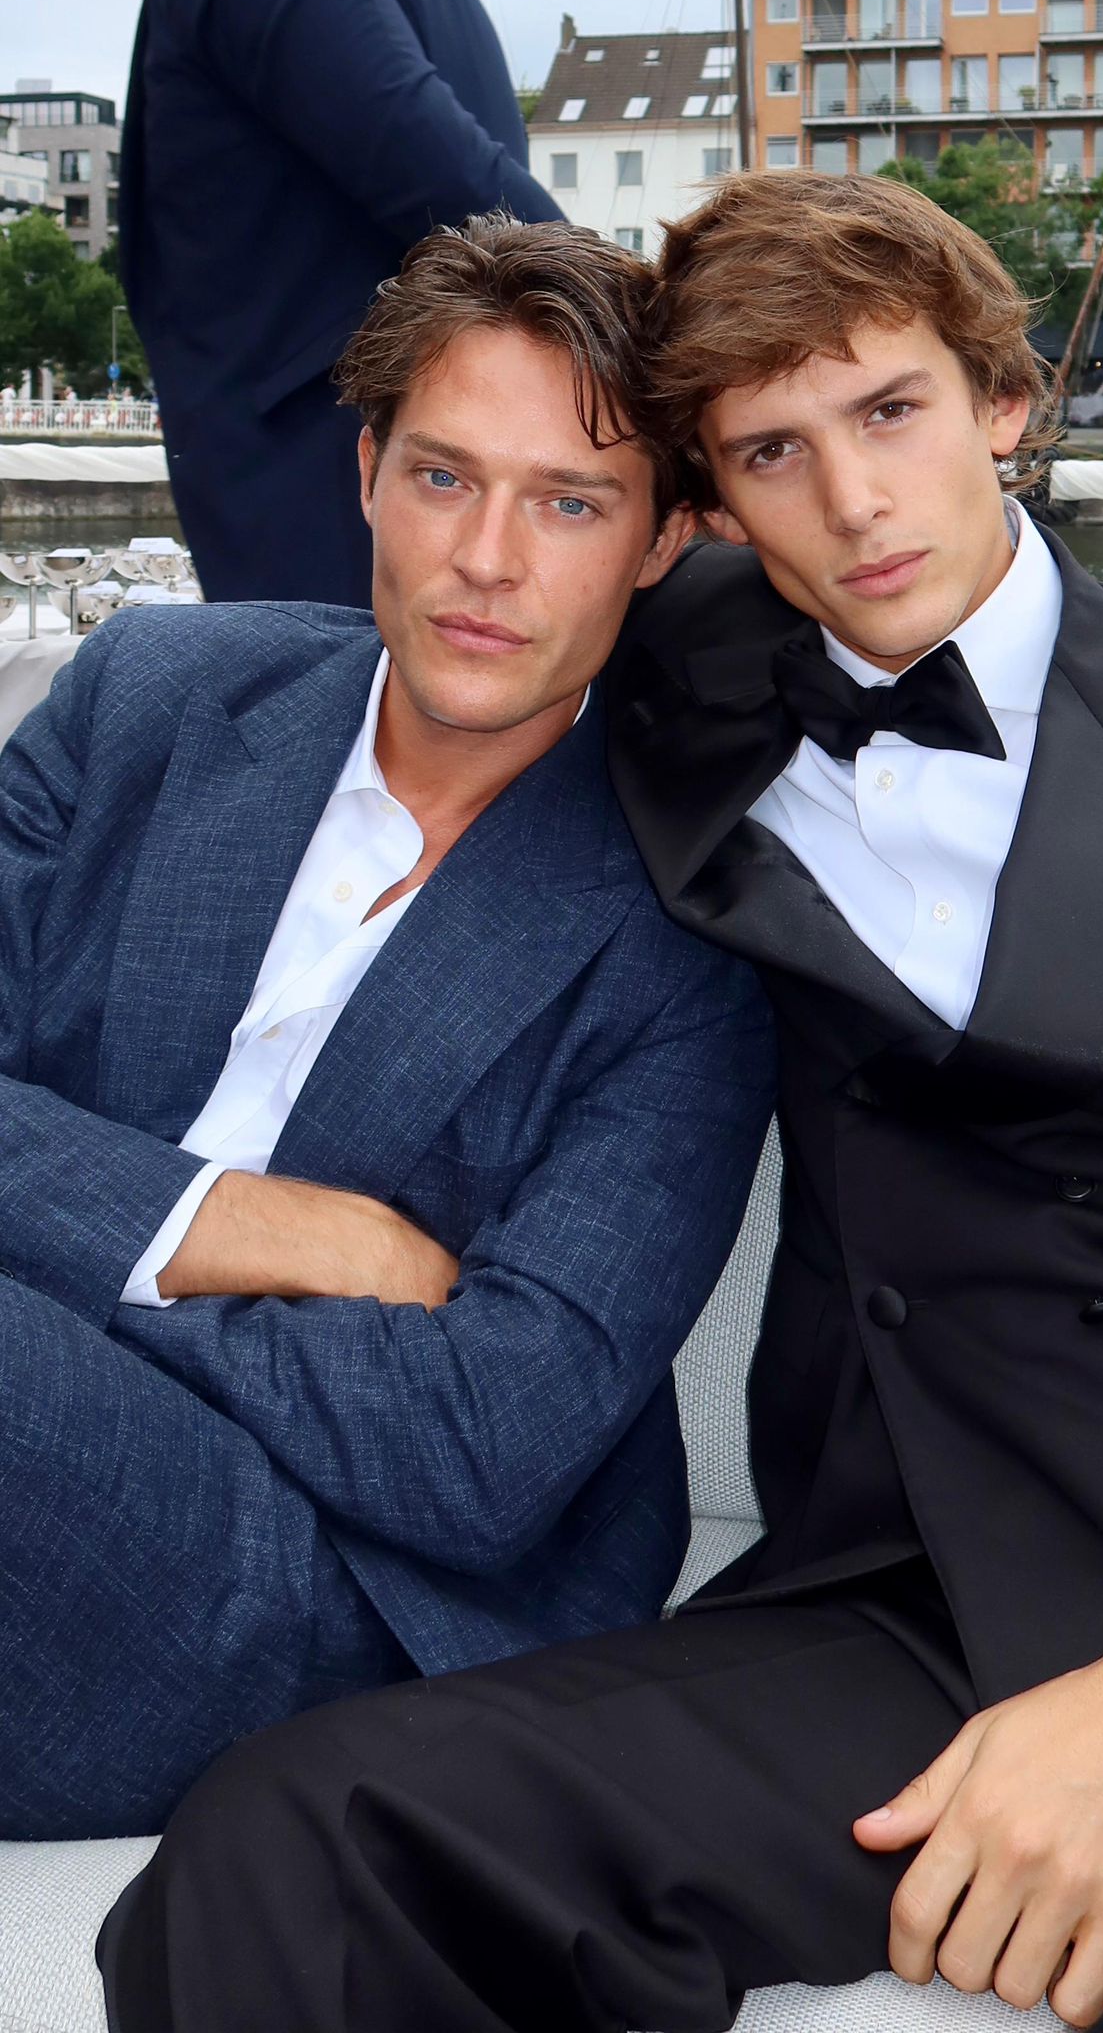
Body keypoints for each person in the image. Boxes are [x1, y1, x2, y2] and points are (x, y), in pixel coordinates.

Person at [98, 173, 1103, 2033]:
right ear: (704, 505)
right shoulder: (690, 685)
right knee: (295, 1843)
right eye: (771, 449)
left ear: (1004, 401)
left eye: (891, 411)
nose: (850, 504)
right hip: (914, 1592)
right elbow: (485, 591)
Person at [0, 215, 772, 1842]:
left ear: (660, 541)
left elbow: (494, 1437)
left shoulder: (694, 919)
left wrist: (57, 1264)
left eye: (568, 501)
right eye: (442, 476)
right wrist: (230, 1225)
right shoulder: (148, 694)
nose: (486, 558)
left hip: (328, 1586)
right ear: (365, 473)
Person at [120, 0, 561, 608]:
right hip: (339, 459)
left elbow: (442, 168)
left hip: (362, 451)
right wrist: (642, 331)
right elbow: (438, 165)